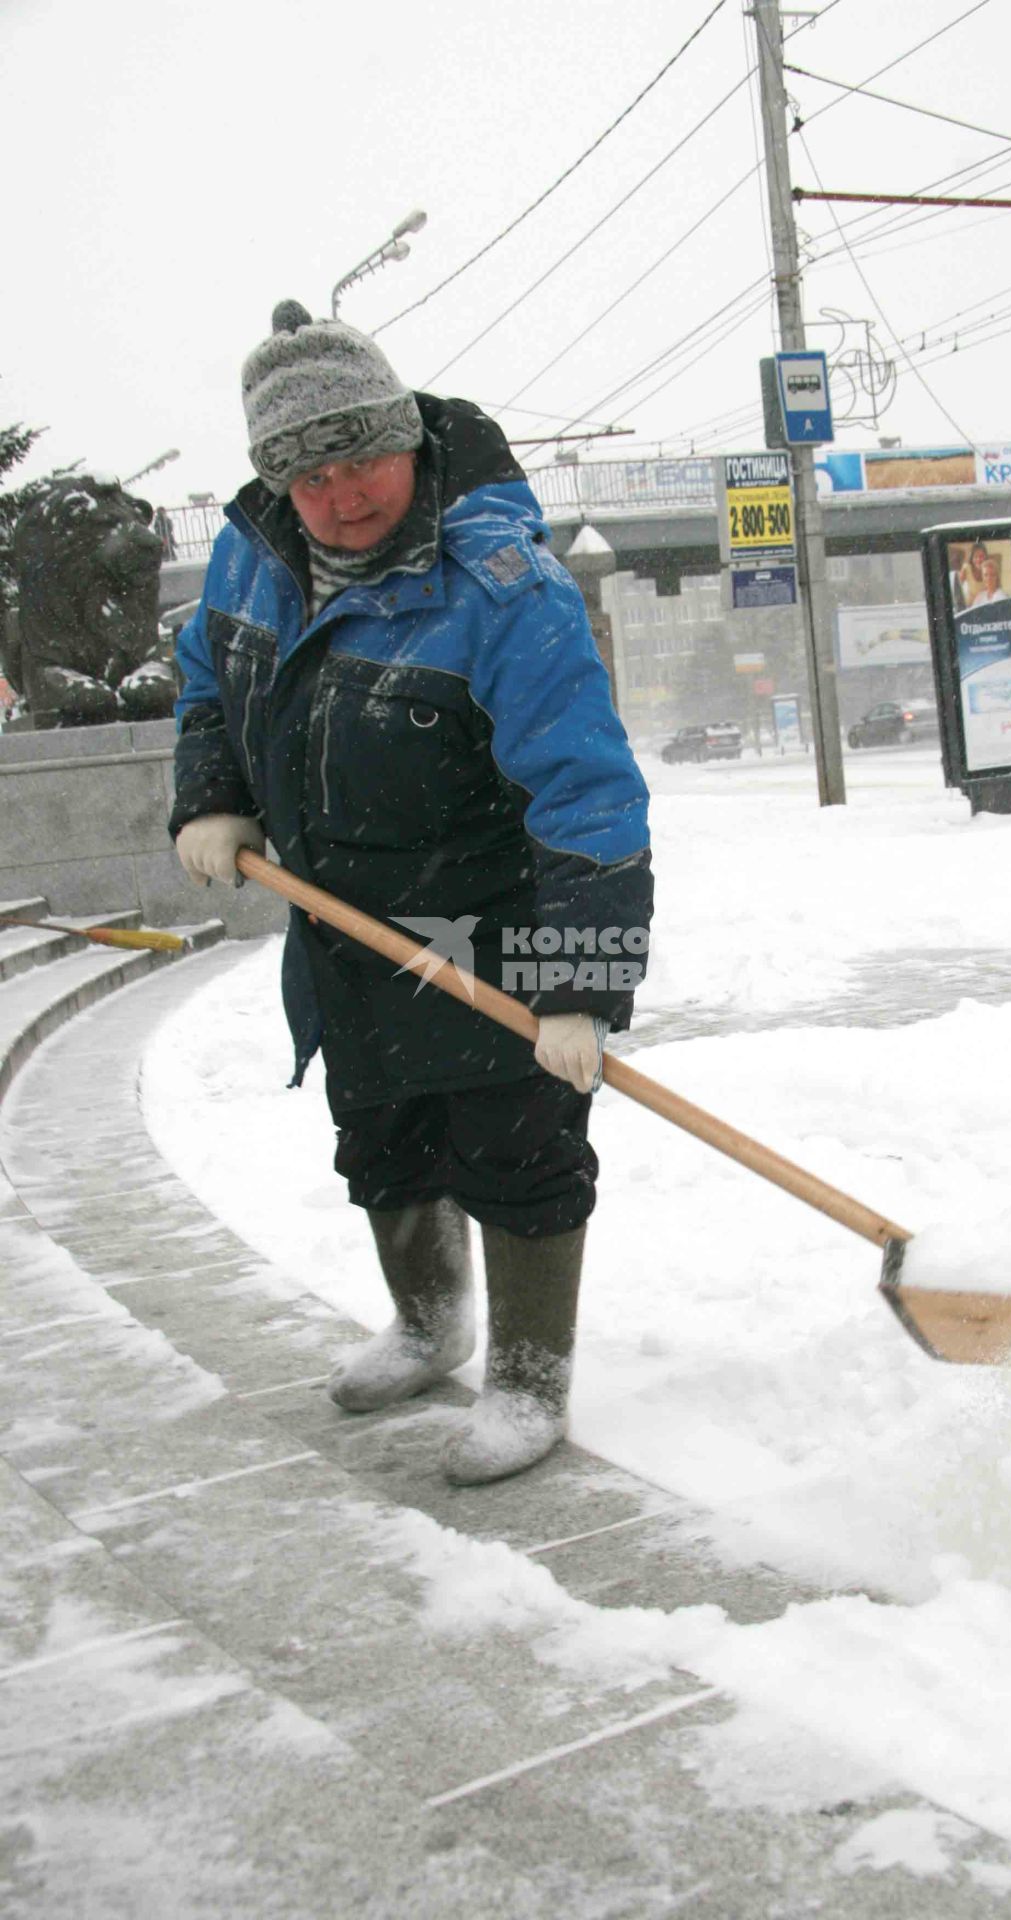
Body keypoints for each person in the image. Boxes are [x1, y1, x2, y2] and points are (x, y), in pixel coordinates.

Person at [170, 301, 653, 1486]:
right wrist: (212, 796)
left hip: (491, 921)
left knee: (517, 1150)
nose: (343, 495)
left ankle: (528, 1383)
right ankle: (432, 1326)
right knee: (382, 1138)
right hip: (339, 917)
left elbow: (585, 794)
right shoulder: (252, 554)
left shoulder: (502, 587)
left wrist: (579, 989)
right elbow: (204, 680)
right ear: (279, 483)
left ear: (410, 439)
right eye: (312, 474)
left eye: (364, 458)